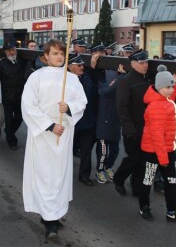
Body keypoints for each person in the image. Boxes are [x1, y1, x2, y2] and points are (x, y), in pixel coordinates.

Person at [21, 39, 87, 240]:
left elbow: (81, 102)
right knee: (45, 176)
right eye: (55, 54)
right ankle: (49, 220)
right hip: (43, 135)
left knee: (60, 176)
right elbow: (28, 106)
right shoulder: (36, 78)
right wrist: (50, 126)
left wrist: (68, 109)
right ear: (46, 56)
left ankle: (54, 213)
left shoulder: (72, 79)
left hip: (64, 134)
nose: (59, 57)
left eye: (62, 54)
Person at [138, 65, 176, 222]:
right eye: (168, 87)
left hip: (167, 150)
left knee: (172, 182)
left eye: (172, 86)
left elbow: (168, 102)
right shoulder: (154, 107)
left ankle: (172, 212)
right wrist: (164, 159)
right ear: (159, 87)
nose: (171, 90)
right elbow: (157, 135)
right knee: (148, 181)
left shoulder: (164, 101)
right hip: (154, 152)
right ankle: (144, 208)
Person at [113, 49, 152, 197]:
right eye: (142, 63)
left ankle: (137, 187)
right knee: (133, 158)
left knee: (143, 161)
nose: (145, 65)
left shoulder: (148, 79)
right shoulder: (126, 81)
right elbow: (121, 107)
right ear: (133, 63)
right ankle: (119, 178)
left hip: (147, 129)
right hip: (133, 129)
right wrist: (128, 129)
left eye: (146, 62)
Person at [68, 53, 97, 186]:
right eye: (78, 65)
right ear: (69, 67)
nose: (82, 67)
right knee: (67, 150)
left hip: (88, 121)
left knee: (86, 151)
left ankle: (84, 175)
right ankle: (63, 174)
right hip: (71, 122)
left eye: (82, 64)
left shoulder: (87, 76)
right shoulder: (64, 81)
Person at [0, 42, 26, 150]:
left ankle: (8, 131)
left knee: (20, 117)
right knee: (9, 119)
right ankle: (12, 141)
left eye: (13, 50)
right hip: (7, 96)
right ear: (6, 52)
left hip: (20, 96)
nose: (12, 52)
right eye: (9, 50)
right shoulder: (2, 64)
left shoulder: (21, 62)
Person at [95, 64, 125, 184]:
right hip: (104, 120)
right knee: (103, 150)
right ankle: (99, 169)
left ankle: (108, 167)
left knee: (115, 149)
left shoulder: (121, 79)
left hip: (116, 121)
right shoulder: (103, 81)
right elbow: (105, 92)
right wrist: (119, 78)